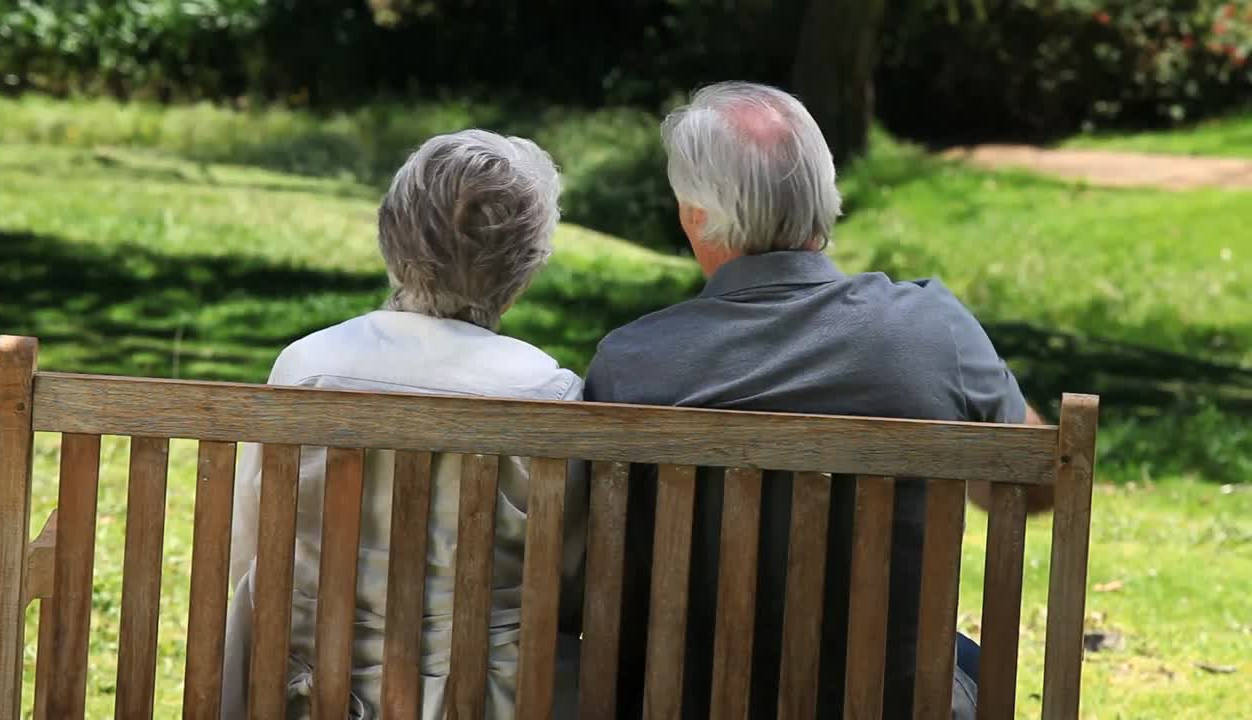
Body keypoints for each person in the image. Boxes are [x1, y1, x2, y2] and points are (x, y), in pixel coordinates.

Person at [581, 81, 1053, 719]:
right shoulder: (932, 330)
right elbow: (1036, 484)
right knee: (960, 660)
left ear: (694, 214)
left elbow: (605, 567)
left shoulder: (630, 364)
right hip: (891, 703)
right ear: (826, 196)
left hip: (692, 702)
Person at [221, 129, 587, 720]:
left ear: (391, 234)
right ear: (524, 265)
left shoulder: (308, 367)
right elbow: (568, 582)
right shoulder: (549, 392)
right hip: (489, 700)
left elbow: (251, 547)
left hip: (301, 693)